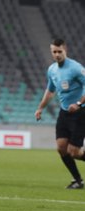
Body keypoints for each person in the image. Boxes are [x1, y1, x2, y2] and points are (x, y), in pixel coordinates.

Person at [35, 38, 85, 189]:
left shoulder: (76, 68)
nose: (57, 55)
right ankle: (77, 180)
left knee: (74, 152)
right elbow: (50, 91)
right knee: (61, 148)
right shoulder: (52, 70)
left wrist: (78, 104)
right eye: (54, 52)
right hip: (65, 113)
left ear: (65, 50)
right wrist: (40, 108)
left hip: (81, 112)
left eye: (59, 51)